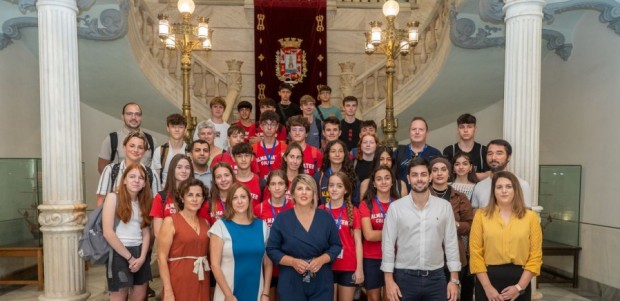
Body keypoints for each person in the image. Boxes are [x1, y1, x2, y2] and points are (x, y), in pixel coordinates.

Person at [381, 157, 461, 301]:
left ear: (430, 177)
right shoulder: (396, 208)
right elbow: (387, 244)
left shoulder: (444, 206)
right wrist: (389, 280)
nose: (419, 179)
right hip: (404, 278)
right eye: (414, 175)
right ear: (408, 178)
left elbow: (451, 244)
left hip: (436, 278)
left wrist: (454, 280)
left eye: (423, 174)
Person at [266, 174, 342, 301]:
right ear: (293, 194)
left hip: (321, 280)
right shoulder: (282, 219)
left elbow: (336, 246)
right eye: (300, 188)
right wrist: (292, 262)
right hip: (291, 280)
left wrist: (321, 260)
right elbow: (272, 249)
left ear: (314, 193)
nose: (304, 192)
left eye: (308, 189)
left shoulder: (325, 217)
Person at [469, 171, 542, 301]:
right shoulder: (481, 215)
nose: (504, 191)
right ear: (493, 191)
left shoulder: (530, 217)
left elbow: (535, 256)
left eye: (509, 187)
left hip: (520, 280)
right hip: (487, 279)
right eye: (499, 187)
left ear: (516, 190)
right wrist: (487, 288)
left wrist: (519, 287)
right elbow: (476, 255)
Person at [209, 183, 272, 301]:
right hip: (228, 294)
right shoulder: (220, 227)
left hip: (256, 293)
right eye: (235, 197)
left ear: (249, 199)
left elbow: (268, 263)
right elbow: (215, 265)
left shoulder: (262, 226)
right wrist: (228, 295)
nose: (239, 201)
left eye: (243, 197)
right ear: (229, 202)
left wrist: (266, 293)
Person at [102, 163, 153, 301]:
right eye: (132, 176)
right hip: (119, 253)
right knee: (119, 295)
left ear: (144, 184)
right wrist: (130, 258)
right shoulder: (113, 198)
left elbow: (146, 232)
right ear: (124, 180)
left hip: (140, 253)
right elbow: (107, 232)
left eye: (141, 178)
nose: (136, 180)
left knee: (140, 295)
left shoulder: (144, 202)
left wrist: (142, 258)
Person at [157, 179, 211, 301]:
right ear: (182, 198)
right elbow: (161, 258)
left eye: (198, 195)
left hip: (202, 279)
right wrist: (168, 289)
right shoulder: (170, 221)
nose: (194, 199)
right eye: (190, 195)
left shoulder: (206, 223)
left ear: (203, 199)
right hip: (178, 279)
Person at [429, 157, 475, 301]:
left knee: (452, 296)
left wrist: (454, 224)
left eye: (443, 169)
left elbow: (470, 225)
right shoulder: (422, 195)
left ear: (449, 173)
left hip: (454, 253)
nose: (439, 173)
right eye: (435, 170)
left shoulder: (460, 197)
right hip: (429, 254)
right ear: (430, 174)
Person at [319, 172, 364, 301]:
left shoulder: (353, 211)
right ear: (327, 188)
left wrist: (359, 268)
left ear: (345, 190)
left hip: (348, 266)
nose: (334, 189)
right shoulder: (320, 210)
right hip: (326, 266)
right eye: (331, 185)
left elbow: (358, 242)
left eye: (339, 186)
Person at [359, 165, 400, 301]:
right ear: (374, 183)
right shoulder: (366, 204)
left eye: (387, 178)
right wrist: (393, 233)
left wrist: (382, 234)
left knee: (391, 297)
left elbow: (404, 234)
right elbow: (369, 235)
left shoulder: (399, 204)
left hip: (395, 257)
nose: (383, 182)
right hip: (372, 258)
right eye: (379, 179)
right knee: (373, 298)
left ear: (392, 181)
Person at [254, 170, 295, 301]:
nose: (277, 188)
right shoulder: (259, 209)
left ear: (286, 186)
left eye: (281, 183)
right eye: (273, 184)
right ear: (268, 187)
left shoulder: (294, 207)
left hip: (288, 264)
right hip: (266, 264)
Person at [97, 131, 160, 206]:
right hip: (114, 216)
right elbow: (101, 201)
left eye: (140, 147)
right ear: (124, 147)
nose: (136, 150)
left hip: (142, 216)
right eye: (132, 146)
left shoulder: (152, 174)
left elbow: (157, 205)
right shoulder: (110, 170)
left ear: (144, 151)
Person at [471, 139, 532, 209]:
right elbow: (475, 215)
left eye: (499, 153)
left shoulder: (521, 185)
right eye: (490, 153)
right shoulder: (479, 186)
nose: (493, 158)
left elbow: (527, 215)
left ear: (508, 157)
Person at [97, 102, 155, 173]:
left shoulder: (151, 140)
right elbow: (102, 169)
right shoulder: (112, 139)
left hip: (144, 183)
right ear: (122, 116)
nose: (133, 117)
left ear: (141, 117)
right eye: (129, 114)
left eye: (137, 114)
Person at [149, 154, 195, 238]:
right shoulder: (161, 197)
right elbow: (158, 232)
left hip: (191, 245)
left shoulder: (196, 197)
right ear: (172, 170)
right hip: (168, 247)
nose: (184, 171)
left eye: (187, 167)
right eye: (179, 167)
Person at [394, 117, 442, 191]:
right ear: (409, 133)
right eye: (414, 129)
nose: (417, 132)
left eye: (421, 129)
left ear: (426, 133)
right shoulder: (399, 152)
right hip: (402, 198)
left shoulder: (435, 154)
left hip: (428, 197)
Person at [442, 113, 489, 180]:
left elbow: (490, 175)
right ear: (458, 130)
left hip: (478, 189)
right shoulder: (449, 150)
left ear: (475, 129)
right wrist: (476, 175)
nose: (465, 130)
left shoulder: (483, 150)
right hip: (454, 189)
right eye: (462, 127)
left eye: (469, 127)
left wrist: (461, 174)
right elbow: (446, 175)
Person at [314, 140, 360, 207]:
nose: (337, 154)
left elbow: (356, 203)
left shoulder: (352, 176)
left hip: (345, 216)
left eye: (340, 151)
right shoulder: (319, 177)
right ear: (328, 155)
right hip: (324, 214)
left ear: (344, 154)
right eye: (333, 151)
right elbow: (315, 203)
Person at [152, 113, 187, 187]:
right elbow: (155, 178)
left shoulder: (190, 151)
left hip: (186, 194)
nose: (177, 130)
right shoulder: (160, 151)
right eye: (173, 127)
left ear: (185, 130)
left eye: (180, 127)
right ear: (168, 128)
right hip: (165, 195)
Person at [253, 111, 288, 180]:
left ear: (277, 126)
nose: (269, 128)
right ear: (261, 126)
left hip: (279, 186)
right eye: (265, 124)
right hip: (260, 186)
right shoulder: (253, 148)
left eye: (272, 124)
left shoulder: (285, 148)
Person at [232, 142, 264, 208]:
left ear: (252, 157)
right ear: (233, 158)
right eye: (239, 156)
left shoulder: (261, 183)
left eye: (246, 155)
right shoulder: (230, 182)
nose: (243, 159)